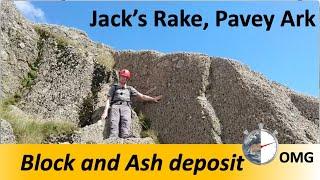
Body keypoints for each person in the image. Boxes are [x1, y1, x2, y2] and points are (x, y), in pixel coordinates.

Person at [101, 69, 162, 138]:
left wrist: (153, 99)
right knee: (114, 121)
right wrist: (105, 112)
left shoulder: (130, 89)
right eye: (122, 76)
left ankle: (125, 136)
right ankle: (113, 138)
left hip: (126, 107)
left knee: (126, 121)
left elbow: (142, 96)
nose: (123, 78)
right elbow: (108, 100)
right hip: (115, 106)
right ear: (119, 77)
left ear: (127, 79)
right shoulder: (114, 87)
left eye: (125, 77)